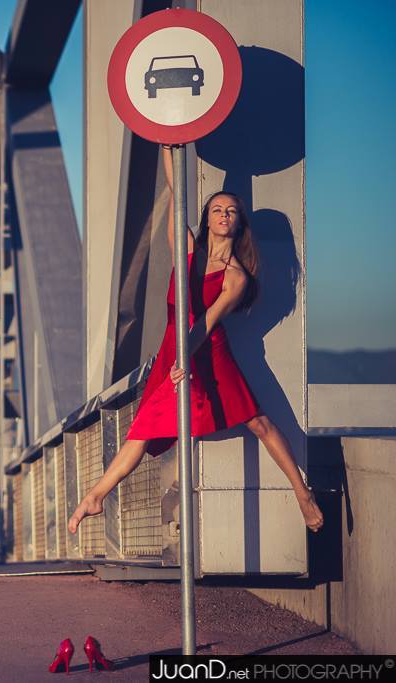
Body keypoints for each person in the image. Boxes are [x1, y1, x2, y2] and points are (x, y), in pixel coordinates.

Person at [68, 146, 323, 535]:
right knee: (145, 427)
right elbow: (176, 190)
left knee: (257, 421)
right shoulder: (186, 248)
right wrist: (166, 141)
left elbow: (207, 322)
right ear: (207, 218)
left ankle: (302, 493)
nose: (224, 214)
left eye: (231, 211)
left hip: (206, 348)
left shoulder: (236, 276)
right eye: (217, 209)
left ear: (239, 223)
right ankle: (96, 495)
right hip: (174, 346)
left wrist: (185, 357)